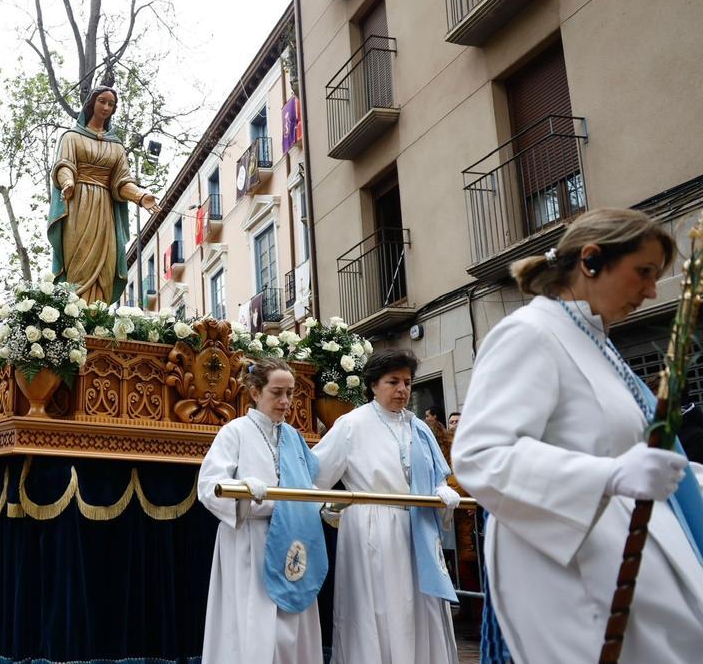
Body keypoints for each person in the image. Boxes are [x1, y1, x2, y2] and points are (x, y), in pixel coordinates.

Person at [453, 207, 703, 663]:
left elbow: (631, 452)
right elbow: (479, 455)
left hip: (635, 553)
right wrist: (606, 476)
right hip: (574, 574)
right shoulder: (529, 332)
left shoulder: (596, 341)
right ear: (590, 261)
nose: (650, 292)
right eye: (643, 273)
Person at [311, 349, 460, 664]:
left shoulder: (417, 427)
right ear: (373, 385)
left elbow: (435, 474)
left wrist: (440, 490)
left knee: (421, 606)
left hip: (417, 526)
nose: (403, 390)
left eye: (407, 382)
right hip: (372, 528)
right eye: (393, 382)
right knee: (378, 609)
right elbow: (317, 475)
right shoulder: (351, 424)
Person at [197, 358, 327, 664]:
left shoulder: (294, 437)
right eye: (277, 392)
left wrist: (323, 505)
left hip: (293, 540)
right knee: (254, 626)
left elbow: (309, 485)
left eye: (290, 393)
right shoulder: (235, 431)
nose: (285, 402)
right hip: (251, 543)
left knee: (291, 632)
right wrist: (243, 489)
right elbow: (208, 485)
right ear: (255, 392)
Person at [47, 85, 160, 304]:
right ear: (92, 103)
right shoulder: (71, 137)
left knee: (107, 264)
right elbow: (64, 165)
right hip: (78, 207)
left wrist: (140, 197)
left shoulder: (116, 147)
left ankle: (97, 316)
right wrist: (68, 182)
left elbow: (122, 181)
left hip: (105, 212)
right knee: (79, 262)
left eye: (111, 104)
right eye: (102, 101)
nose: (106, 107)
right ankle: (74, 313)